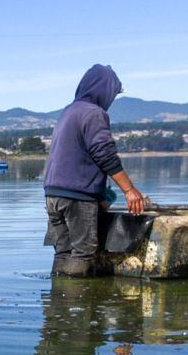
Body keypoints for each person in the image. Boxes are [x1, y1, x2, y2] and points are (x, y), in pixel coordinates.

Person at [42, 63, 149, 277]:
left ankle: (57, 305)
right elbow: (104, 154)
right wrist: (129, 190)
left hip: (53, 194)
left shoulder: (69, 111)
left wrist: (99, 193)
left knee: (63, 250)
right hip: (76, 195)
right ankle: (76, 305)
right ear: (104, 91)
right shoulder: (93, 114)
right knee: (83, 252)